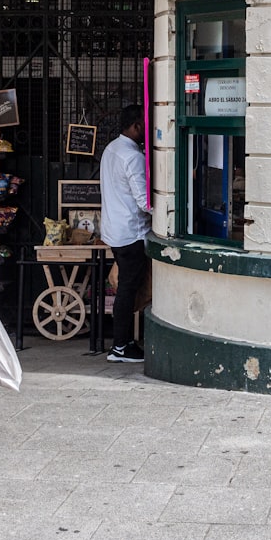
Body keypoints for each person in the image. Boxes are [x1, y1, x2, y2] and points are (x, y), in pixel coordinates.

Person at [100, 104, 152, 364]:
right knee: (128, 291)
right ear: (136, 126)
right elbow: (144, 202)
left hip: (115, 230)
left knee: (126, 289)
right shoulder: (133, 157)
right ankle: (120, 346)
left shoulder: (111, 149)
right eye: (144, 125)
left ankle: (124, 343)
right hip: (131, 233)